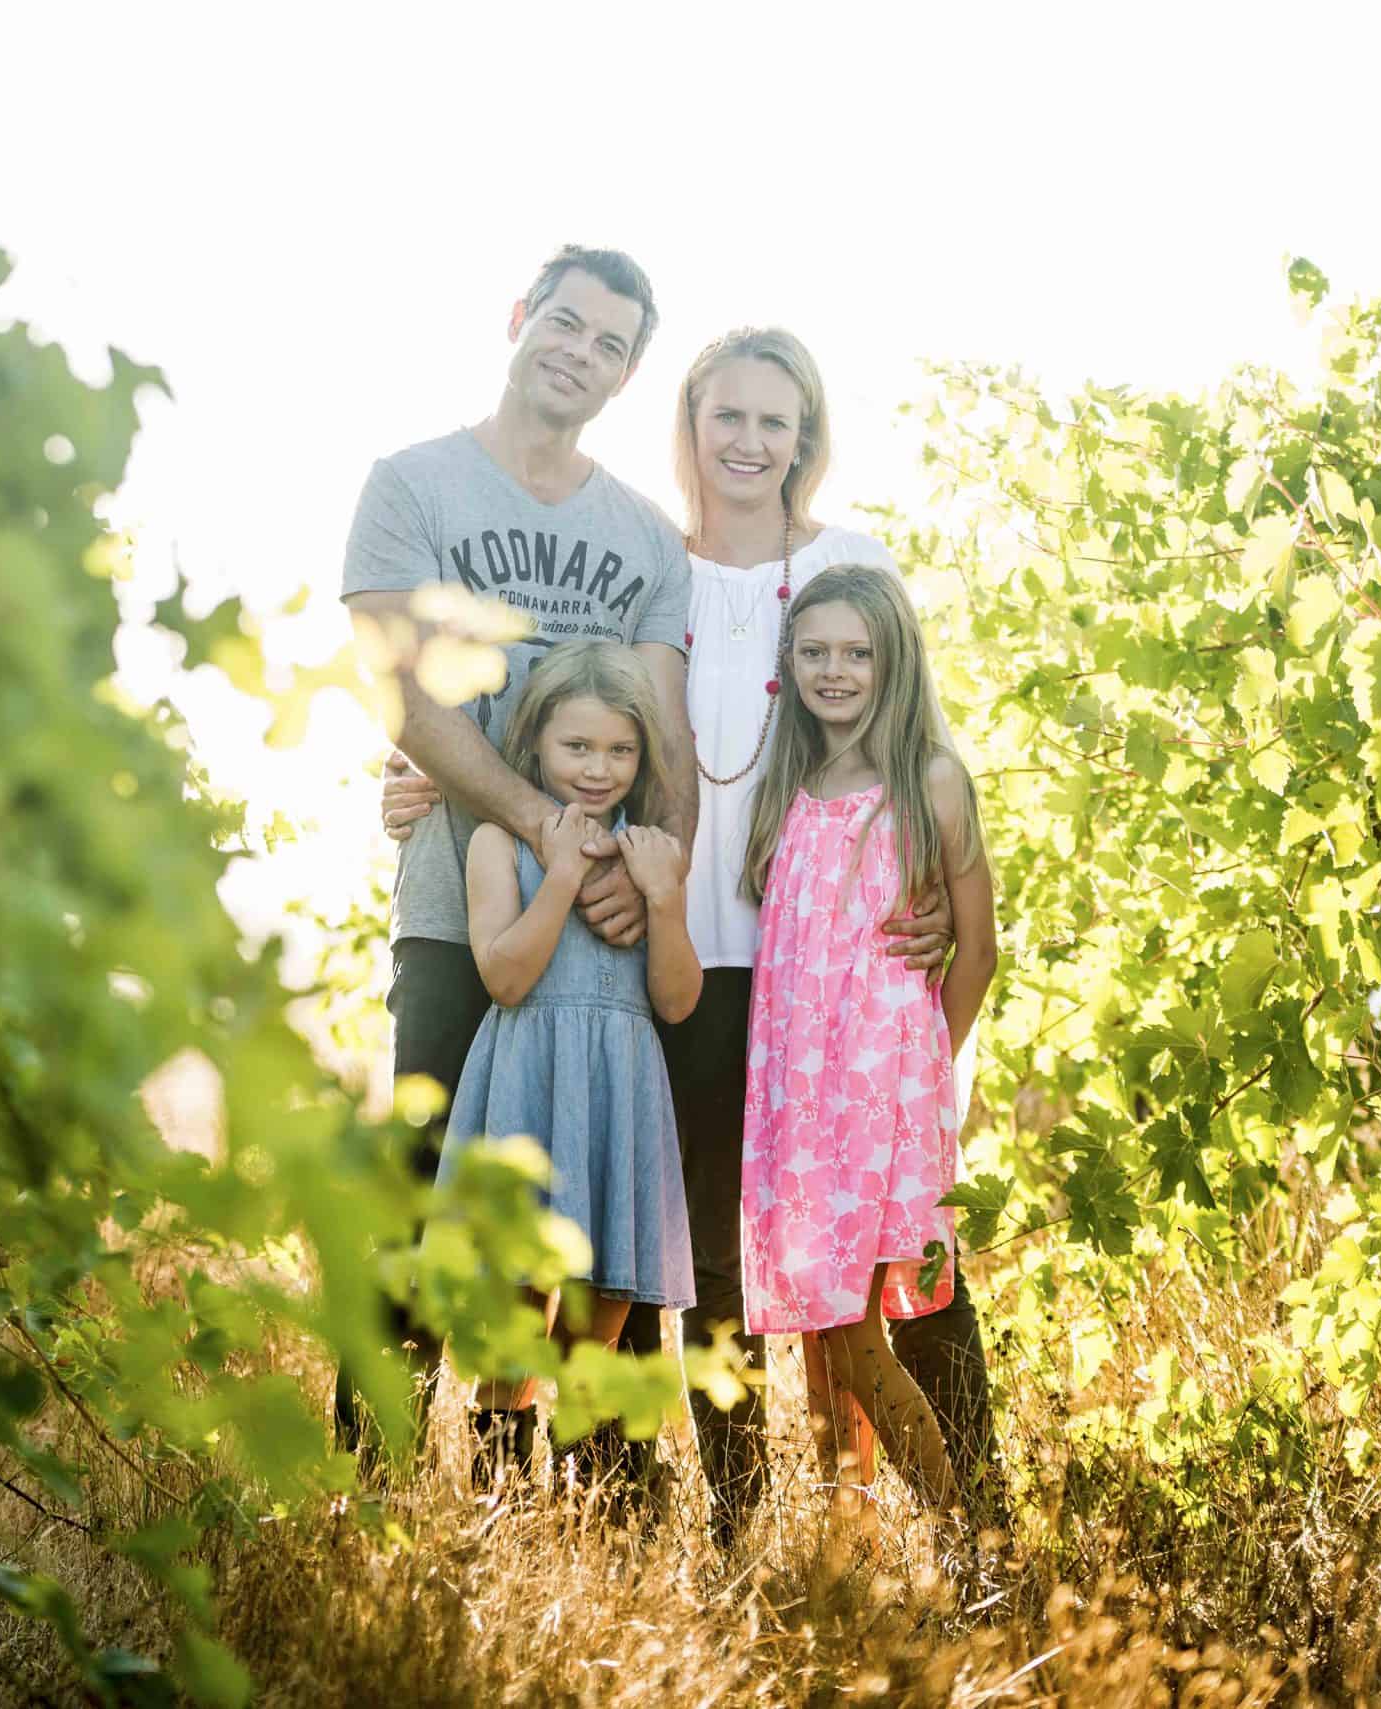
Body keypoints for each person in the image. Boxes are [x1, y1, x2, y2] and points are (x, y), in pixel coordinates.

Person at [387, 328, 997, 1544]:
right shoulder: (642, 561)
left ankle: (978, 1511)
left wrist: (936, 902)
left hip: (819, 968)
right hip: (667, 948)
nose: (749, 442)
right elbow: (554, 694)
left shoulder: (848, 562)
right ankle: (727, 1524)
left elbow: (907, 727)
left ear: (807, 435)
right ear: (689, 425)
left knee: (891, 1262)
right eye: (726, 416)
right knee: (695, 1255)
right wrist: (419, 776)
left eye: (775, 420)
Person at [339, 245, 697, 1470]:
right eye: (565, 322)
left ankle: (592, 1496)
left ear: (628, 371)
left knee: (596, 1213)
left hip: (599, 926)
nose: (578, 351)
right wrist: (535, 825)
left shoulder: (646, 537)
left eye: (608, 342)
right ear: (519, 318)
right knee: (423, 1181)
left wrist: (643, 873)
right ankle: (366, 1481)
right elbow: (401, 693)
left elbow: (668, 731)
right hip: (462, 903)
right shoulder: (413, 486)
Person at [738, 563, 999, 1543]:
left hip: (887, 1092)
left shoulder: (928, 776)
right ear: (788, 664)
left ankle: (976, 1540)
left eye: (856, 652)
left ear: (893, 661)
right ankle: (880, 1535)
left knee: (881, 1322)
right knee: (834, 1327)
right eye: (814, 652)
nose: (835, 670)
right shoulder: (788, 788)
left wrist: (929, 1068)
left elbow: (977, 948)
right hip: (800, 1109)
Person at [431, 641, 701, 1489]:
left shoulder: (651, 852)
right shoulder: (494, 846)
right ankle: (495, 1504)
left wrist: (664, 898)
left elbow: (677, 1000)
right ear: (536, 744)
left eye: (619, 750)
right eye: (577, 747)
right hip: (529, 1086)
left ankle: (580, 1499)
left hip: (619, 1089)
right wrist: (558, 875)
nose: (598, 768)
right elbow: (506, 976)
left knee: (604, 1314)